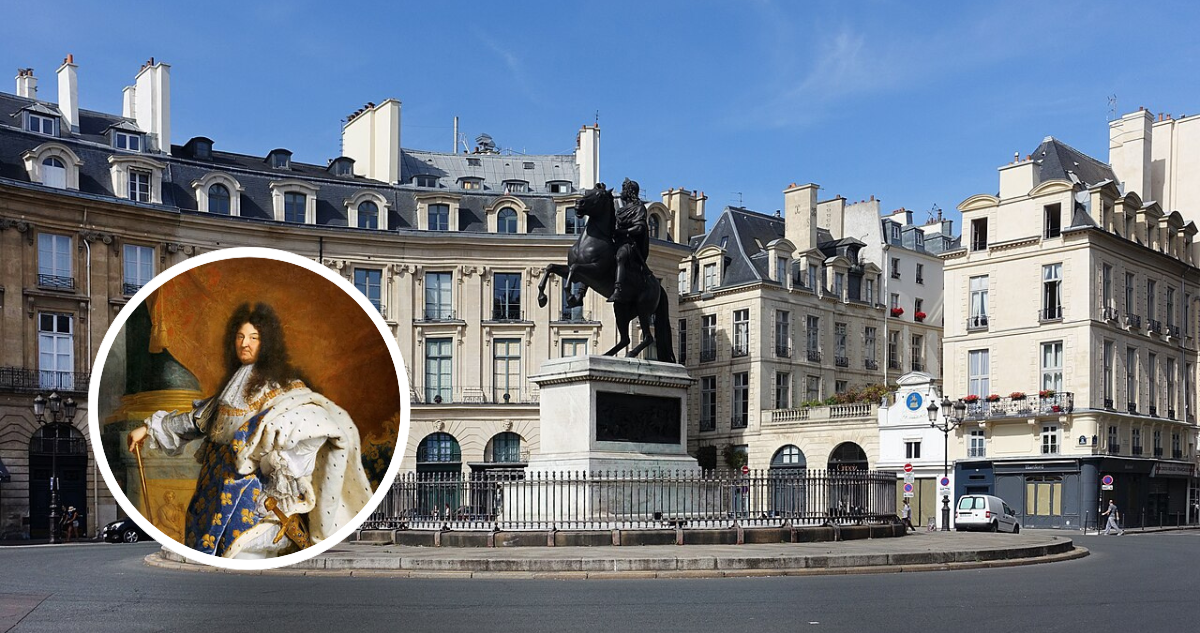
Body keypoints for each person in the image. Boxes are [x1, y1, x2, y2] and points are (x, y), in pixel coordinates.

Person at [127, 302, 373, 559]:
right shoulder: (230, 387)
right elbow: (197, 421)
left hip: (254, 494)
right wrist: (147, 428)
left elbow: (317, 425)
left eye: (254, 338)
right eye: (240, 337)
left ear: (267, 343)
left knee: (246, 552)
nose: (245, 343)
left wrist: (274, 454)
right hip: (212, 490)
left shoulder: (283, 387)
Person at [608, 178, 650, 303]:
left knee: (621, 256)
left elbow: (639, 228)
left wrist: (623, 232)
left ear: (630, 191)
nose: (621, 192)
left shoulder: (639, 208)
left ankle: (617, 290)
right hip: (617, 240)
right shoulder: (621, 210)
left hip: (630, 243)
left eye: (624, 189)